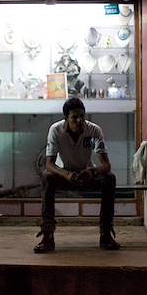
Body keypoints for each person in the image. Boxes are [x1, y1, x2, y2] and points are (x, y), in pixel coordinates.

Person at [34, 97, 120, 252]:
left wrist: (91, 172)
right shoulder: (56, 130)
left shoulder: (93, 131)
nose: (79, 120)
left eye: (82, 116)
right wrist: (67, 175)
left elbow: (106, 165)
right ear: (66, 118)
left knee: (110, 178)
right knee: (47, 177)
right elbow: (49, 164)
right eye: (74, 117)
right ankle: (47, 237)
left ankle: (106, 235)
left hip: (86, 174)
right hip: (64, 175)